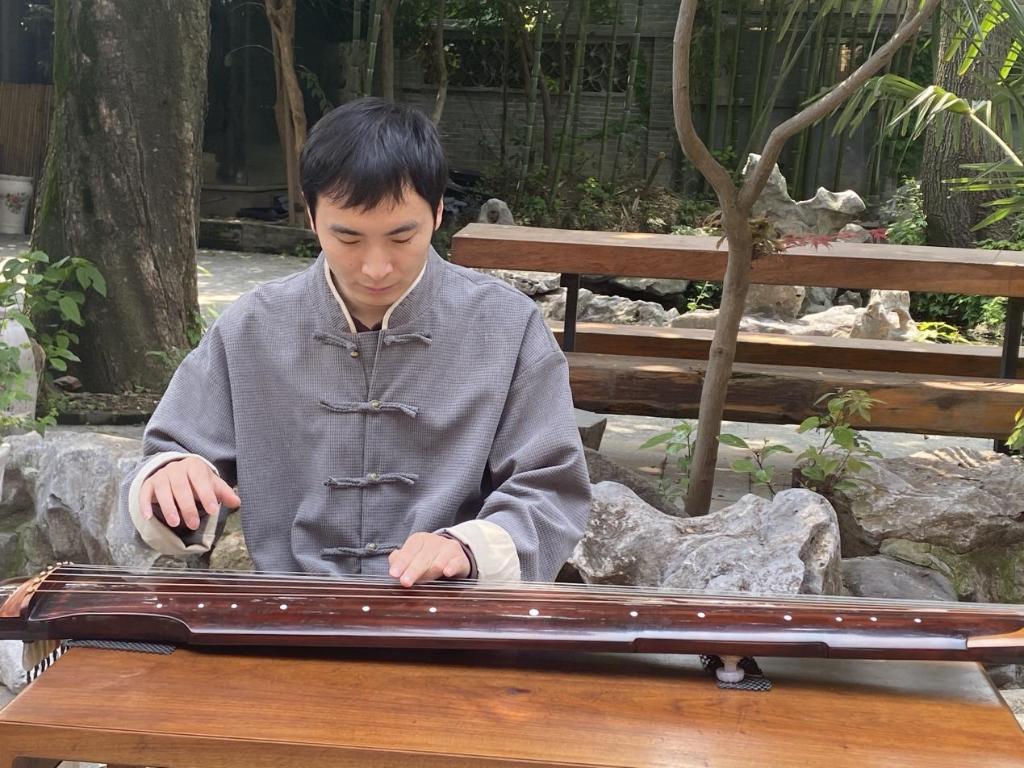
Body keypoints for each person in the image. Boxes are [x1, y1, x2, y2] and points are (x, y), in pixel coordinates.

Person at [119, 98, 592, 586]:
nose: (376, 267)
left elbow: (550, 488)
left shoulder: (506, 327)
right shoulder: (253, 327)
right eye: (348, 239)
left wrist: (466, 547)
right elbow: (171, 454)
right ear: (311, 217)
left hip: (450, 610)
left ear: (438, 213)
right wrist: (170, 480)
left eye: (401, 237)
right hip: (291, 610)